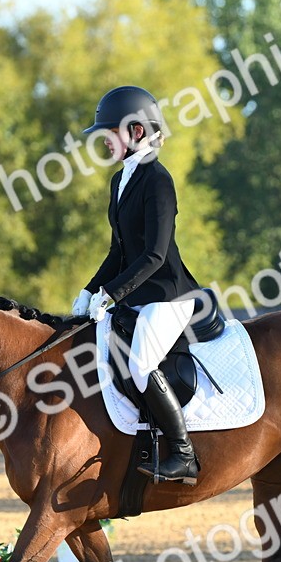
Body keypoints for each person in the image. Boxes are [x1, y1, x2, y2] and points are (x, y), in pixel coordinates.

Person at [73, 85, 202, 485]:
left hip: (168, 295)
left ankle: (183, 454)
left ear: (138, 132)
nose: (104, 142)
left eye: (109, 134)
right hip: (137, 294)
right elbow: (119, 252)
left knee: (141, 361)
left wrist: (112, 295)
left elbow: (154, 256)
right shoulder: (120, 181)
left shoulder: (158, 181)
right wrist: (90, 290)